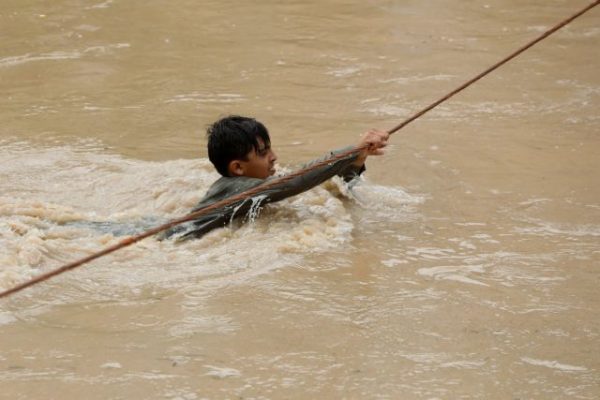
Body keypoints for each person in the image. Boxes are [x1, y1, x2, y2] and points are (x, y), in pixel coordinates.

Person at [163, 115, 389, 241]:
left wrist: (357, 160)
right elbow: (295, 181)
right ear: (238, 168)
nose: (274, 157)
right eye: (263, 153)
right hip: (175, 239)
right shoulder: (237, 186)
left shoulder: (253, 183)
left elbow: (332, 188)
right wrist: (350, 150)